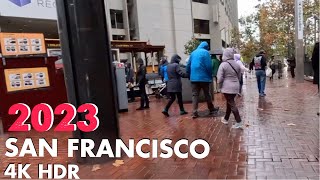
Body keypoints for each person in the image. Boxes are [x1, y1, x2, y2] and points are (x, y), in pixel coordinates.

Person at [187, 41, 219, 119]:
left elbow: (188, 65)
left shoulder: (193, 53)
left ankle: (194, 112)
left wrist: (189, 75)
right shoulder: (206, 53)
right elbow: (208, 66)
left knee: (195, 95)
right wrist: (210, 75)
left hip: (194, 78)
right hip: (204, 78)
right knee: (207, 94)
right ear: (206, 47)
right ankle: (211, 109)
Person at [217, 48, 243, 129]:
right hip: (235, 86)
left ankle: (239, 121)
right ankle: (225, 119)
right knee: (229, 102)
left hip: (227, 87)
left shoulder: (223, 64)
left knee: (231, 103)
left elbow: (220, 78)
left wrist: (219, 85)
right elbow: (239, 77)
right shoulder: (237, 64)